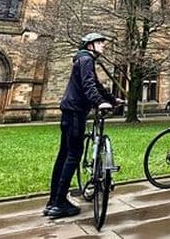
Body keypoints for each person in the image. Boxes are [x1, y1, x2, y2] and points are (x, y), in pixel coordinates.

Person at [46, 32, 123, 218]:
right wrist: (99, 102)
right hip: (75, 111)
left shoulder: (83, 60)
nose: (103, 46)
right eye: (100, 42)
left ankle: (53, 201)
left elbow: (96, 84)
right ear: (90, 45)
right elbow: (89, 85)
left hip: (70, 110)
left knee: (64, 154)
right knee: (73, 155)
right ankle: (59, 204)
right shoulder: (86, 60)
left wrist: (112, 99)